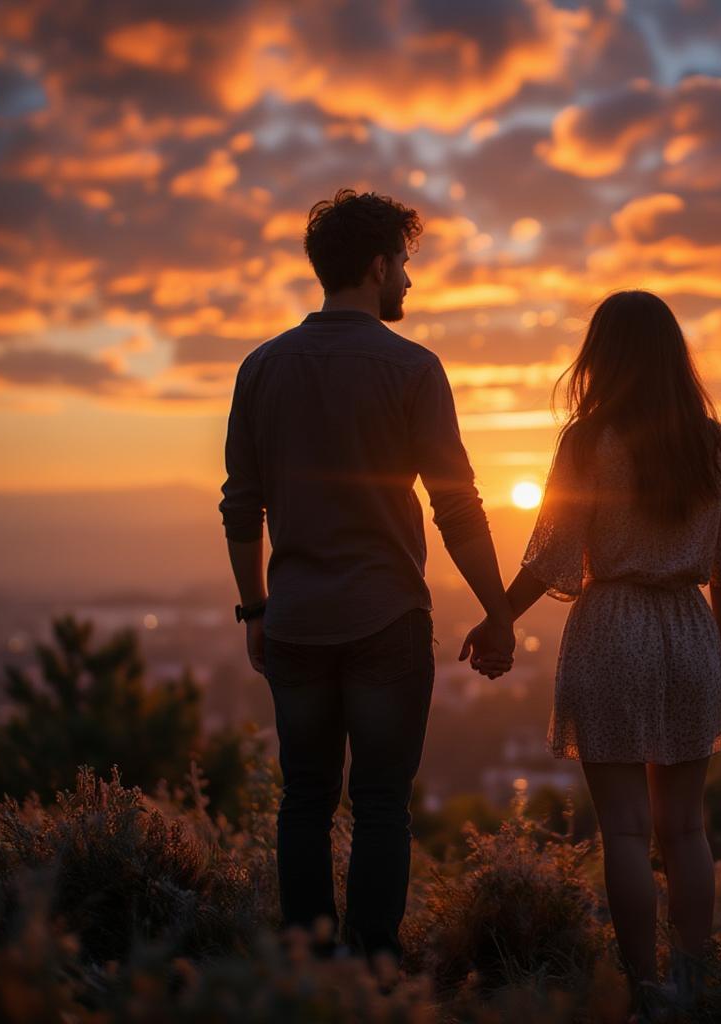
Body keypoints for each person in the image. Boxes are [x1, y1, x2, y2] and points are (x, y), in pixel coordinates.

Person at [219, 188, 515, 978]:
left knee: (304, 800)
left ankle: (310, 974)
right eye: (406, 266)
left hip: (296, 623)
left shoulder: (261, 368)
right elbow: (456, 504)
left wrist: (254, 609)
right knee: (381, 803)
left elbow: (241, 507)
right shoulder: (412, 369)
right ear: (379, 265)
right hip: (387, 618)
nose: (409, 285)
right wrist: (498, 610)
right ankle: (377, 975)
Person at [460, 289, 721, 1018]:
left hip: (610, 630)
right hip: (688, 632)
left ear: (603, 358)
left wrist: (498, 619)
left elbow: (553, 556)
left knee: (624, 829)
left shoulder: (588, 442)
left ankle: (644, 986)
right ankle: (694, 978)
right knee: (686, 827)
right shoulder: (711, 444)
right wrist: (719, 656)